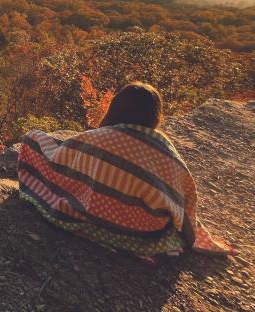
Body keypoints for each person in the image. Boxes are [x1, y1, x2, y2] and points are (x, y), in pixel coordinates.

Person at [17, 82, 234, 258]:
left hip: (90, 218)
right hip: (146, 234)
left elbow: (61, 160)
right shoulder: (164, 150)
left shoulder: (98, 138)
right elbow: (183, 198)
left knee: (33, 139)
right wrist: (195, 236)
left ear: (116, 108)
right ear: (155, 116)